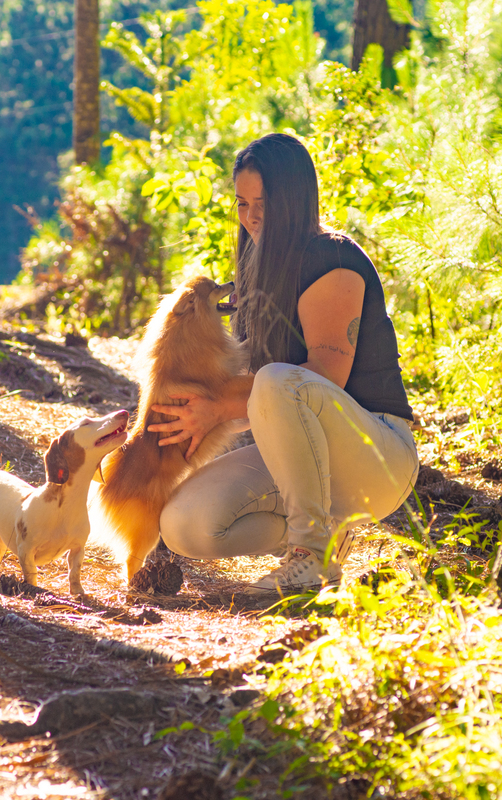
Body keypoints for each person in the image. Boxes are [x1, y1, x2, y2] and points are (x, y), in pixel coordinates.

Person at [149, 133, 420, 592]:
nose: (251, 217)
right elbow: (255, 400)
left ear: (294, 200)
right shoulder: (254, 274)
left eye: (263, 203)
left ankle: (310, 557)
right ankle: (323, 535)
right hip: (301, 466)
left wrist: (219, 406)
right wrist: (194, 422)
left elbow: (320, 378)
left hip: (377, 456)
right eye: (241, 203)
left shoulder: (333, 258)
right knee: (184, 525)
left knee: (276, 381)